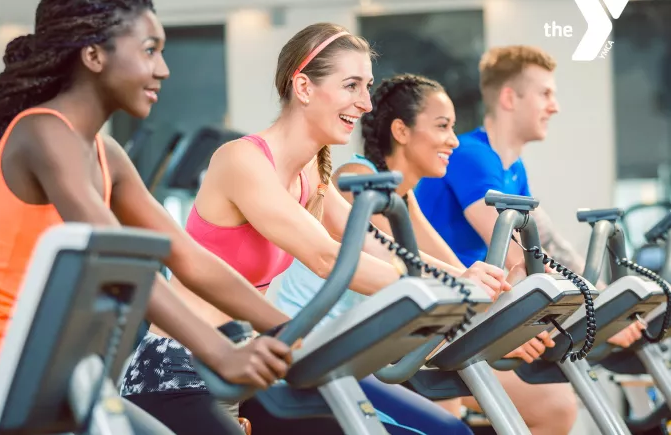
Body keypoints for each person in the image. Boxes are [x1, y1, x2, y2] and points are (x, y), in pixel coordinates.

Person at [0, 0, 296, 434]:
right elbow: (122, 266)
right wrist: (220, 353)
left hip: (51, 380)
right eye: (150, 51)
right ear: (94, 56)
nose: (164, 70)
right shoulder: (42, 134)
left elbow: (190, 259)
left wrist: (288, 330)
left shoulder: (105, 153)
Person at [121, 23, 509, 435]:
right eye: (351, 86)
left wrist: (460, 278)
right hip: (178, 374)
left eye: (367, 87)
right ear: (303, 87)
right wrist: (438, 289)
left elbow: (377, 248)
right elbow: (327, 257)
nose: (365, 103)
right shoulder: (241, 160)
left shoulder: (310, 174)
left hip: (250, 368)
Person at [270, 73, 553, 420]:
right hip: (323, 351)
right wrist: (490, 320)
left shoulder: (405, 198)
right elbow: (404, 271)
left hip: (367, 350)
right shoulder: (358, 180)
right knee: (455, 425)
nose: (453, 141)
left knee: (456, 411)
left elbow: (457, 274)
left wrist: (500, 310)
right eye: (442, 127)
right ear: (401, 131)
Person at [414, 45, 644, 434]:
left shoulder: (512, 167)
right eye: (545, 94)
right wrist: (597, 312)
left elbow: (550, 246)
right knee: (555, 406)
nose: (554, 106)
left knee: (556, 406)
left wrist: (608, 303)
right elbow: (514, 253)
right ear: (509, 97)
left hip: (475, 318)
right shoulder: (471, 155)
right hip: (439, 326)